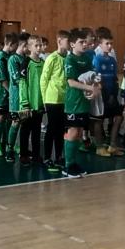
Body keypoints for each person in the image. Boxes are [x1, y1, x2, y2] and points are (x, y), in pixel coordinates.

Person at [62, 32, 97, 177]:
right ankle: (67, 166)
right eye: (81, 42)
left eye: (85, 42)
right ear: (72, 44)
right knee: (73, 132)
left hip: (84, 102)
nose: (85, 44)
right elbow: (71, 82)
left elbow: (92, 77)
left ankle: (74, 162)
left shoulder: (87, 58)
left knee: (80, 132)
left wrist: (95, 87)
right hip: (73, 102)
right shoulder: (70, 59)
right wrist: (90, 88)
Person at [40, 29, 71, 173]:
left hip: (64, 100)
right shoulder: (52, 58)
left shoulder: (68, 58)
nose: (70, 44)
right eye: (68, 41)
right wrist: (44, 100)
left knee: (61, 130)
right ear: (59, 41)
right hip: (52, 99)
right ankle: (47, 157)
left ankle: (59, 156)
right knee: (51, 129)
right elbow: (44, 79)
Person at [92, 31, 122, 156]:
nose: (109, 46)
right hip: (101, 95)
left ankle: (112, 145)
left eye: (111, 44)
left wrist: (113, 95)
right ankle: (99, 147)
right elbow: (97, 79)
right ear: (100, 45)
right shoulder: (97, 60)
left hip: (112, 95)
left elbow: (115, 78)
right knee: (99, 120)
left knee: (119, 117)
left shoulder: (112, 60)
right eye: (107, 43)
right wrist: (105, 95)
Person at [4, 32, 32, 163]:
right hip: (16, 97)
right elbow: (16, 79)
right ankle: (9, 149)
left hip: (27, 96)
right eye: (29, 45)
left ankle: (23, 148)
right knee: (16, 122)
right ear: (24, 45)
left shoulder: (27, 59)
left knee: (25, 123)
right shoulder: (13, 59)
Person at [0, 33, 18, 158]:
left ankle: (7, 142)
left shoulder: (10, 56)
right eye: (16, 45)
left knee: (9, 117)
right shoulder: (0, 58)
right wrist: (12, 92)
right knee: (0, 116)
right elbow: (1, 79)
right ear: (11, 44)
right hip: (0, 93)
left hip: (9, 93)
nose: (16, 48)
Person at [17, 35, 44, 164]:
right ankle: (23, 154)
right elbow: (22, 83)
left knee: (36, 131)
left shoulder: (43, 63)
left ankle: (36, 154)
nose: (39, 48)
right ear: (29, 47)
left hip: (39, 104)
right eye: (36, 45)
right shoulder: (26, 63)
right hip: (26, 104)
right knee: (25, 129)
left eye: (40, 45)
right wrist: (24, 103)